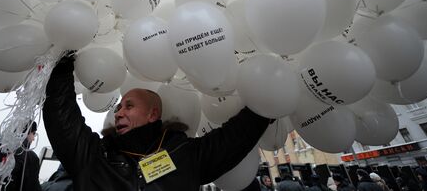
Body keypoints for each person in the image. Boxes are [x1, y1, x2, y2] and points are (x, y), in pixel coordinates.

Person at [43, 53, 271, 191]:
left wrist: (268, 101)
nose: (119, 113)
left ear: (153, 114)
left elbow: (235, 137)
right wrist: (63, 65)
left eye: (129, 106)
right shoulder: (94, 156)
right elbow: (61, 117)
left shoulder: (185, 154)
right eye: (118, 107)